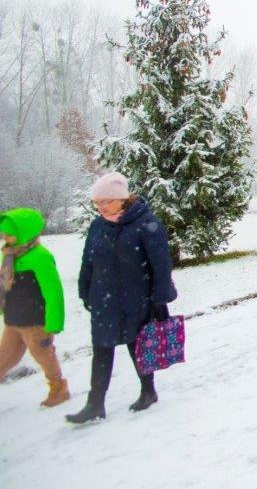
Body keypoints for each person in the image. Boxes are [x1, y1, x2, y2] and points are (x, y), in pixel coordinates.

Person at [67, 172, 177, 424]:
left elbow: (161, 265)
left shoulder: (146, 224)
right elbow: (88, 261)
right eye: (97, 203)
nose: (101, 207)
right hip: (104, 299)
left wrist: (159, 298)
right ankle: (95, 404)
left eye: (106, 201)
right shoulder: (97, 226)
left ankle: (148, 390)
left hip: (136, 298)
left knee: (137, 346)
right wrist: (85, 289)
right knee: (102, 348)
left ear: (122, 199)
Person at [0, 208, 69, 408]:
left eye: (10, 234)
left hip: (35, 321)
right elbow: (4, 284)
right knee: (4, 356)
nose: (5, 237)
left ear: (25, 232)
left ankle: (58, 388)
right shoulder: (9, 255)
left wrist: (54, 322)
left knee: (43, 356)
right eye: (4, 233)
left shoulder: (40, 257)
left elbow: (53, 291)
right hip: (13, 319)